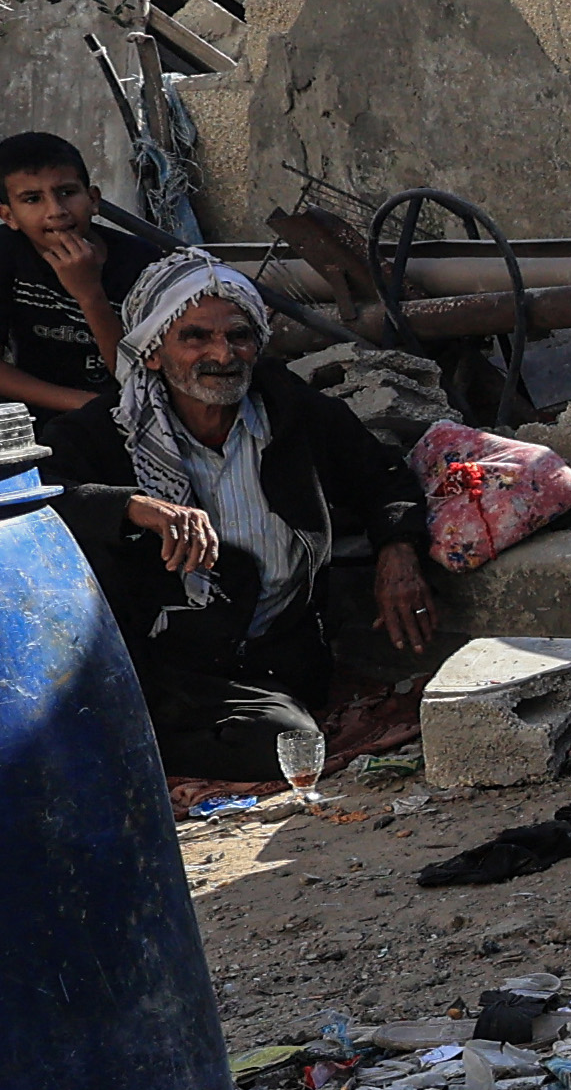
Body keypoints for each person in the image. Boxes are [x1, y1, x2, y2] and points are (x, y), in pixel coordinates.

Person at [53, 251, 434, 784]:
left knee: (288, 744)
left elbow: (382, 477)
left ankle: (127, 746)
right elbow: (38, 498)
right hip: (161, 666)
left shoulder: (293, 413)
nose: (222, 355)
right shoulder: (105, 433)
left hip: (273, 663)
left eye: (238, 336)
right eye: (195, 338)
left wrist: (398, 551)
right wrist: (131, 505)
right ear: (154, 352)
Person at [0, 131, 171, 435]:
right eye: (32, 199)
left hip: (131, 413)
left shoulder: (141, 262)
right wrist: (87, 403)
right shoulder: (6, 254)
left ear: (93, 199)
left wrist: (90, 295)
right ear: (9, 216)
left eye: (67, 192)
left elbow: (138, 377)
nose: (56, 211)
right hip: (40, 408)